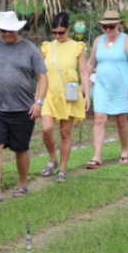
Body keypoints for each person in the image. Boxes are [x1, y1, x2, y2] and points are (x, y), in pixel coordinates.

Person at [0, 11, 48, 201]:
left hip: (23, 109)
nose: (6, 33)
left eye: (10, 30)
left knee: (20, 148)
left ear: (17, 29)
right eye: (2, 30)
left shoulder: (30, 49)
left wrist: (38, 102)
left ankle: (23, 184)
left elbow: (42, 77)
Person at [85, 10, 128, 168]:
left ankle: (124, 150)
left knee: (121, 121)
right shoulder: (98, 41)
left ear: (118, 25)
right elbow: (90, 63)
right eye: (105, 27)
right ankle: (96, 157)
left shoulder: (126, 40)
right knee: (99, 119)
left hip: (121, 86)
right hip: (102, 86)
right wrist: (83, 82)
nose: (108, 30)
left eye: (111, 26)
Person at [39, 12, 90, 182]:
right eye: (54, 32)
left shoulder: (77, 47)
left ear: (69, 28)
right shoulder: (46, 47)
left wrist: (87, 95)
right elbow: (41, 74)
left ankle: (62, 168)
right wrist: (37, 98)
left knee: (65, 133)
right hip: (49, 94)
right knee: (46, 129)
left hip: (69, 94)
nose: (58, 35)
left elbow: (83, 72)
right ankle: (53, 158)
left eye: (61, 32)